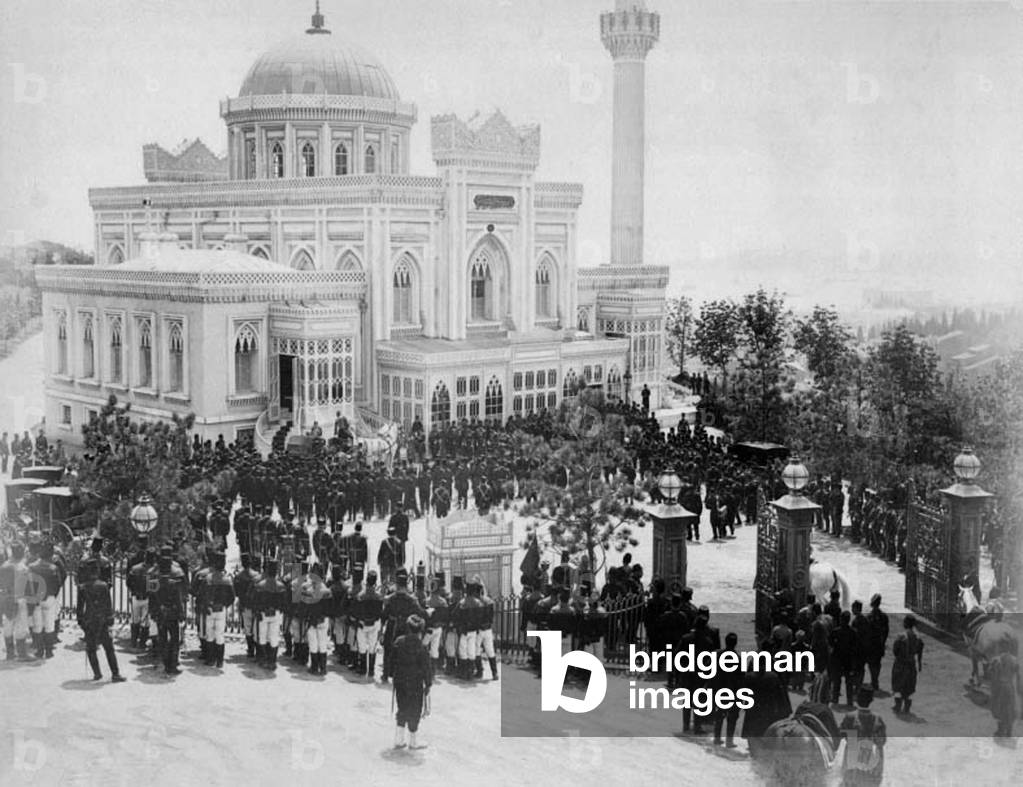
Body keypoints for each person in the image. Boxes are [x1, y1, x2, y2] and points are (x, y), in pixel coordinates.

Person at [75, 563, 126, 683]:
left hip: (89, 620)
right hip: (102, 620)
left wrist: (81, 623)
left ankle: (97, 673)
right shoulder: (103, 586)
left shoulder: (82, 588)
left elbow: (79, 608)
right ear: (97, 572)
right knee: (109, 648)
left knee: (91, 648)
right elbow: (108, 605)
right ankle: (115, 674)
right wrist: (110, 619)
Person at [391, 614, 433, 750]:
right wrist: (428, 684)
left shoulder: (398, 641)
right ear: (421, 630)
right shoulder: (422, 647)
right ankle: (413, 742)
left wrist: (393, 676)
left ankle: (398, 739)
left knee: (402, 707)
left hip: (400, 681)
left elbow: (391, 661)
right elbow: (427, 668)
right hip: (415, 683)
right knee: (415, 710)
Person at [839, 688, 886, 786]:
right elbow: (881, 742)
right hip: (870, 762)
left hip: (851, 762)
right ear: (871, 700)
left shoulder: (850, 717)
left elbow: (839, 734)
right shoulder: (877, 718)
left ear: (857, 700)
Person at [201, 551, 235, 669]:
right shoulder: (227, 579)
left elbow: (203, 595)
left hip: (210, 609)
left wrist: (206, 605)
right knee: (220, 635)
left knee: (209, 635)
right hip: (221, 609)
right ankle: (220, 661)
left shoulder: (208, 578)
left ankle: (211, 660)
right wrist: (225, 605)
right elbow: (232, 597)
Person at [890, 614, 923, 715]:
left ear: (905, 623)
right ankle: (907, 708)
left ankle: (897, 705)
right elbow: (920, 651)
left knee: (898, 685)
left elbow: (895, 651)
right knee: (909, 687)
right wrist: (920, 663)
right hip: (911, 664)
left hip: (900, 664)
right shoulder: (918, 638)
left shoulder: (901, 637)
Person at [987, 641, 1020, 738]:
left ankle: (1000, 730)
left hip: (999, 687)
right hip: (1009, 687)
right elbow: (1018, 675)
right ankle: (1009, 731)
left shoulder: (996, 660)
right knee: (1009, 708)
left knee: (999, 707)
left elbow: (990, 673)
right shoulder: (1014, 660)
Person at [864, 594, 888, 692]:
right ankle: (875, 680)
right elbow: (886, 631)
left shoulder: (869, 617)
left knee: (871, 663)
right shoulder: (884, 617)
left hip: (871, 644)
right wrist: (883, 642)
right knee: (877, 663)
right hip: (879, 643)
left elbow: (866, 632)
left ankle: (874, 680)